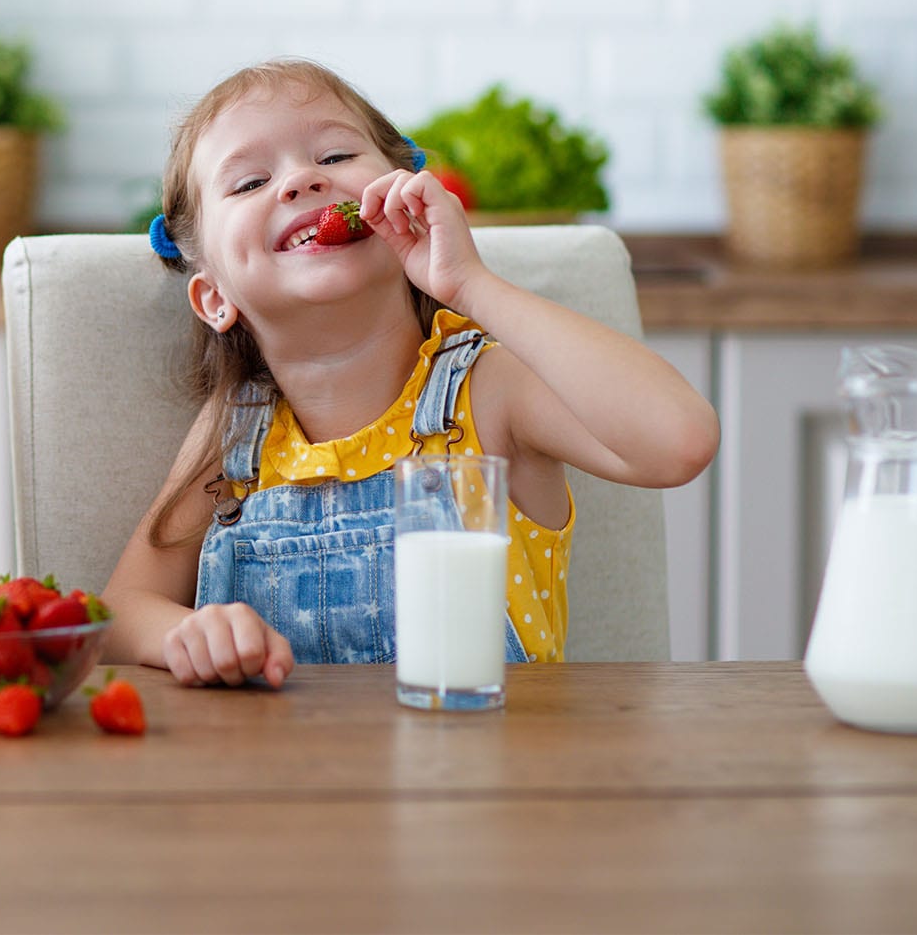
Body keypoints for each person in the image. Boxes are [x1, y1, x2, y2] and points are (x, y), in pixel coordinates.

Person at [100, 58, 717, 689]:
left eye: (336, 156)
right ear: (213, 298)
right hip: (288, 779)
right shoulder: (236, 435)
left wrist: (471, 285)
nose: (302, 181)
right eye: (250, 181)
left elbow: (680, 441)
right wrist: (189, 635)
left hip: (494, 775)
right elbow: (118, 615)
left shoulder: (489, 392)